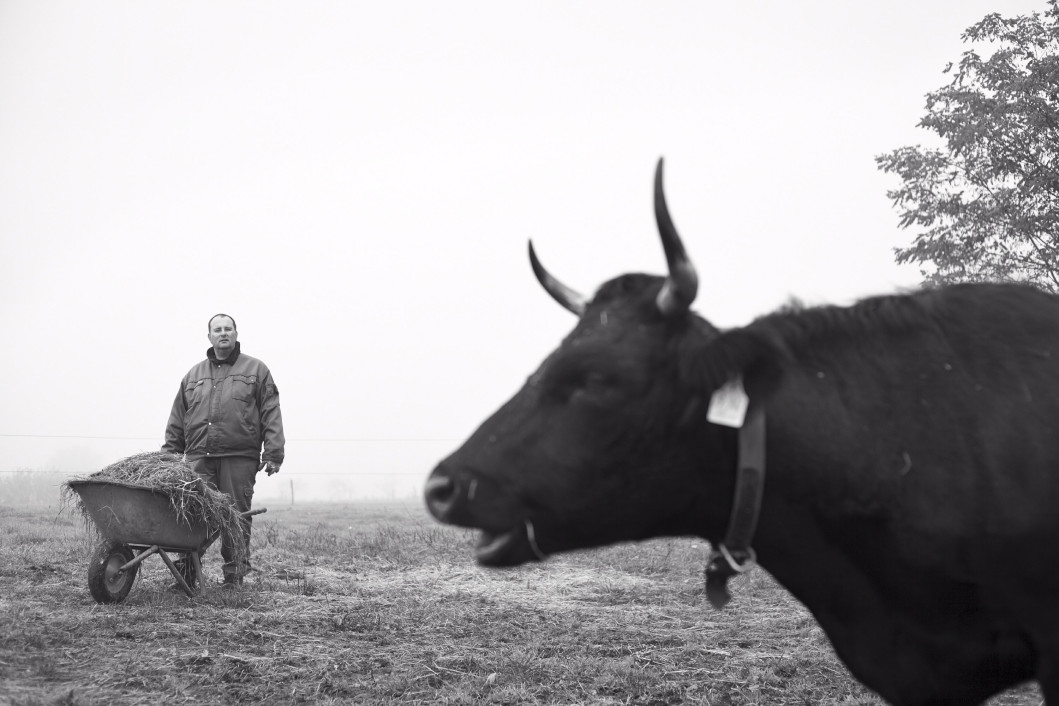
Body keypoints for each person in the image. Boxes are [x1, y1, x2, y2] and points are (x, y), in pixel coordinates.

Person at [163, 313, 285, 587]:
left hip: (239, 458)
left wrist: (274, 452)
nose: (223, 333)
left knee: (235, 516)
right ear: (209, 336)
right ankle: (187, 574)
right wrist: (170, 455)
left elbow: (270, 411)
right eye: (217, 329)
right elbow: (178, 417)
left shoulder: (256, 370)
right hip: (199, 459)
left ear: (236, 333)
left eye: (228, 328)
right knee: (193, 516)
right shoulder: (193, 375)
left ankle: (234, 576)